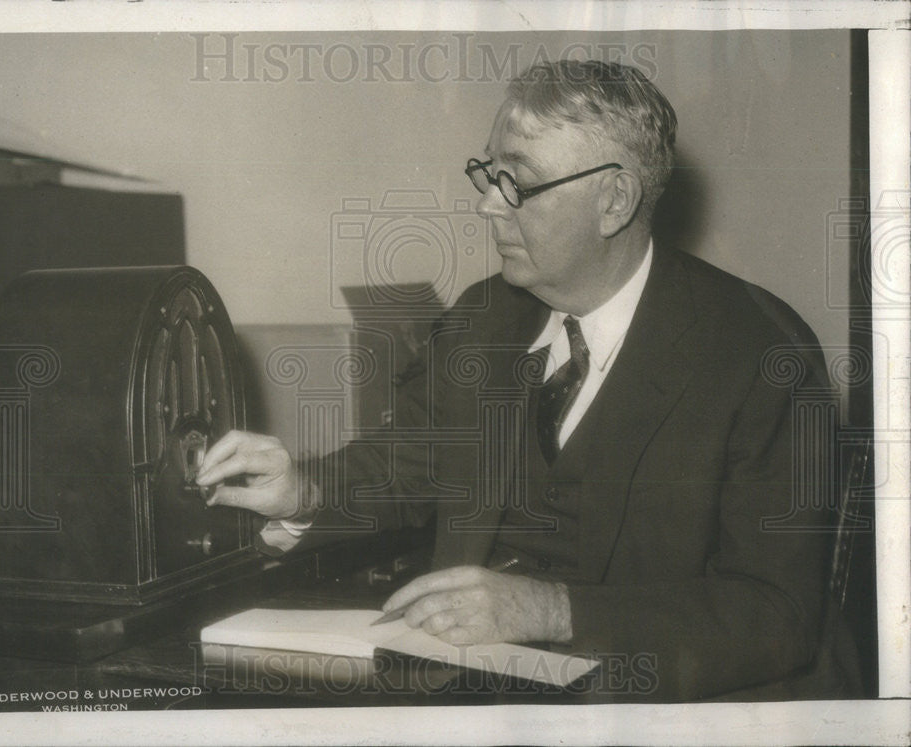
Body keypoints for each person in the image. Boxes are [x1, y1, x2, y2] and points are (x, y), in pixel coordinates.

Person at [196, 60, 853, 701]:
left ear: (614, 200)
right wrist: (302, 486)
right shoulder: (484, 318)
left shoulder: (761, 351)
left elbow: (775, 615)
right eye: (488, 173)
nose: (487, 206)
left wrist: (551, 607)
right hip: (477, 691)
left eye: (518, 183)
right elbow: (410, 462)